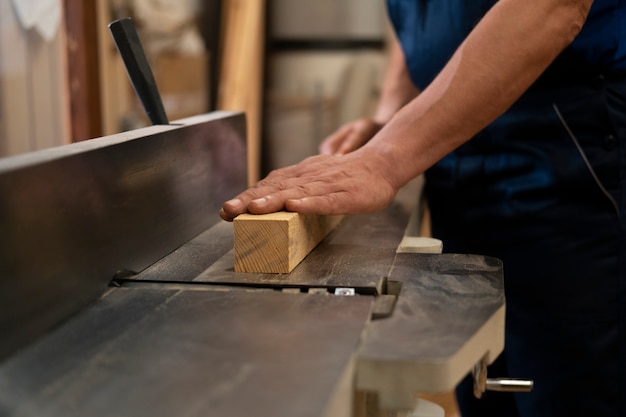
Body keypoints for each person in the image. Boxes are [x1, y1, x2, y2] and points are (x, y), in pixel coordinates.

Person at [221, 0, 626, 416]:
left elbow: (551, 7)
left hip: (569, 157)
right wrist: (393, 116)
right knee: (482, 385)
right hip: (456, 157)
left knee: (569, 391)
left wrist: (385, 158)